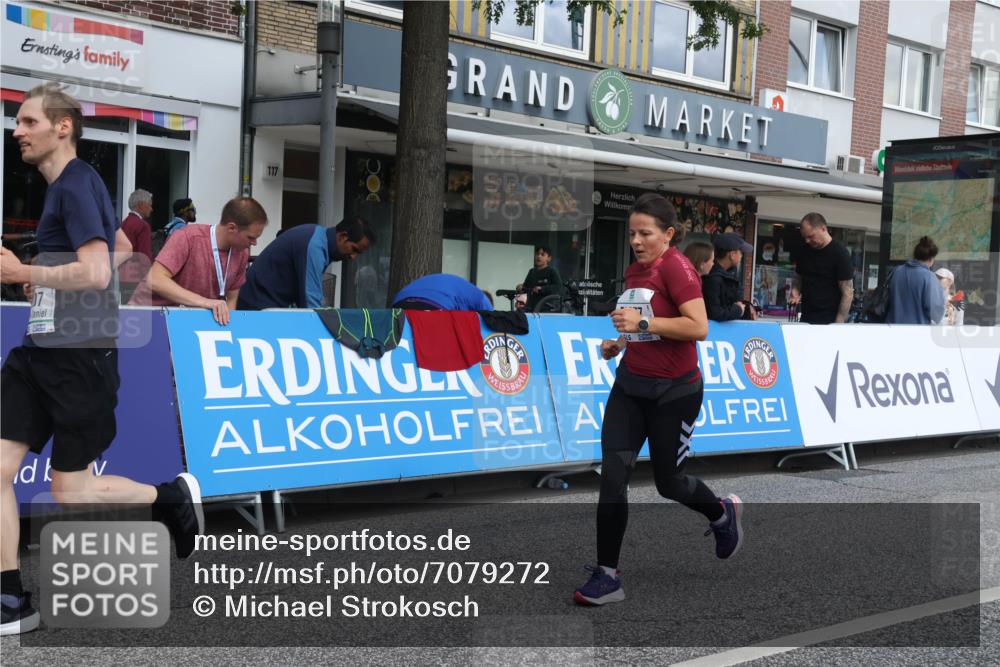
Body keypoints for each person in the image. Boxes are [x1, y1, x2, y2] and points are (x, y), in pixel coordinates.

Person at [0, 84, 202, 636]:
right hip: (41, 351)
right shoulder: (73, 186)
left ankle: (169, 496)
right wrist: (50, 288)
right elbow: (118, 254)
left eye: (27, 120)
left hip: (78, 359)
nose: (17, 130)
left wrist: (27, 274)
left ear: (62, 127)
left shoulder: (75, 183)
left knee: (71, 490)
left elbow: (95, 271)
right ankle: (11, 599)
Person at [574, 193, 742, 607]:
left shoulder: (679, 269)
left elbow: (698, 326)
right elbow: (641, 325)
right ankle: (608, 576)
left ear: (668, 234)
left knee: (670, 483)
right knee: (613, 477)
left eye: (645, 233)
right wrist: (620, 341)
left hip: (675, 392)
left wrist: (643, 322)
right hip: (631, 386)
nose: (636, 240)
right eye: (632, 233)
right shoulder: (635, 270)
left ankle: (721, 512)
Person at [132, 196, 268, 325]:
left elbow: (232, 298)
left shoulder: (241, 252)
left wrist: (226, 326)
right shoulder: (188, 237)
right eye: (250, 237)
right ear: (232, 228)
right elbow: (154, 280)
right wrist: (205, 302)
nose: (254, 243)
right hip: (147, 320)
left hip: (185, 322)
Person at [237, 218, 375, 310]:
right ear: (342, 236)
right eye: (354, 249)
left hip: (262, 304)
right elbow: (311, 304)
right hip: (256, 307)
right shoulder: (315, 246)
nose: (353, 257)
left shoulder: (318, 236)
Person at [788, 213, 853, 324]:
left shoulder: (840, 253)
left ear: (823, 228)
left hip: (830, 321)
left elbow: (847, 293)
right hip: (806, 319)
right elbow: (799, 277)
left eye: (811, 236)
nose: (807, 241)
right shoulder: (804, 250)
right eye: (805, 237)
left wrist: (838, 323)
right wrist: (795, 291)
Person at [886, 236, 945, 325]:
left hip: (891, 328)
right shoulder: (929, 277)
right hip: (916, 332)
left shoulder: (896, 271)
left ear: (915, 256)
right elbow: (936, 313)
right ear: (931, 259)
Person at [703, 233, 755, 322]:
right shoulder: (713, 278)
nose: (742, 256)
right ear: (732, 255)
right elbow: (714, 313)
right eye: (741, 252)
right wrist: (738, 310)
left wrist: (747, 307)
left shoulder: (728, 274)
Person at [119, 189, 153, 303]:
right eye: (149, 205)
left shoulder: (124, 223)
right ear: (141, 205)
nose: (151, 209)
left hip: (123, 275)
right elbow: (144, 256)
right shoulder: (143, 225)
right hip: (137, 277)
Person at [392, 273, 493, 311]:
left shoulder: (463, 289)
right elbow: (491, 318)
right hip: (434, 303)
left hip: (399, 301)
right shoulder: (480, 297)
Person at [517, 245, 563, 311]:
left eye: (542, 254)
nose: (539, 256)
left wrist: (542, 289)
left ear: (549, 258)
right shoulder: (531, 271)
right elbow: (526, 287)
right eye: (537, 254)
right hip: (531, 307)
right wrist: (521, 288)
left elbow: (559, 287)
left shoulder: (552, 271)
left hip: (547, 308)